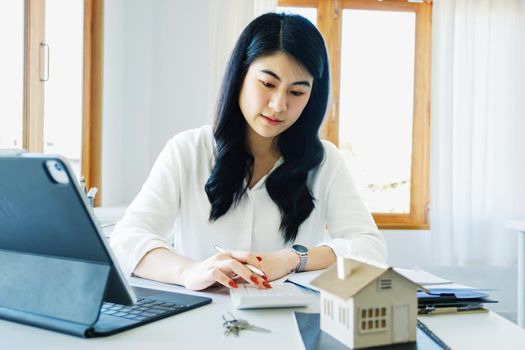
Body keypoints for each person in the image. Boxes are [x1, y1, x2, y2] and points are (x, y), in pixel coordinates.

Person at [110, 12, 386, 292]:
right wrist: (189, 271)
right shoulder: (188, 150)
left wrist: (292, 259)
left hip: (289, 322)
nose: (279, 105)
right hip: (200, 320)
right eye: (267, 84)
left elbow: (370, 248)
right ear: (240, 76)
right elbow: (127, 238)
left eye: (297, 92)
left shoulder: (325, 161)